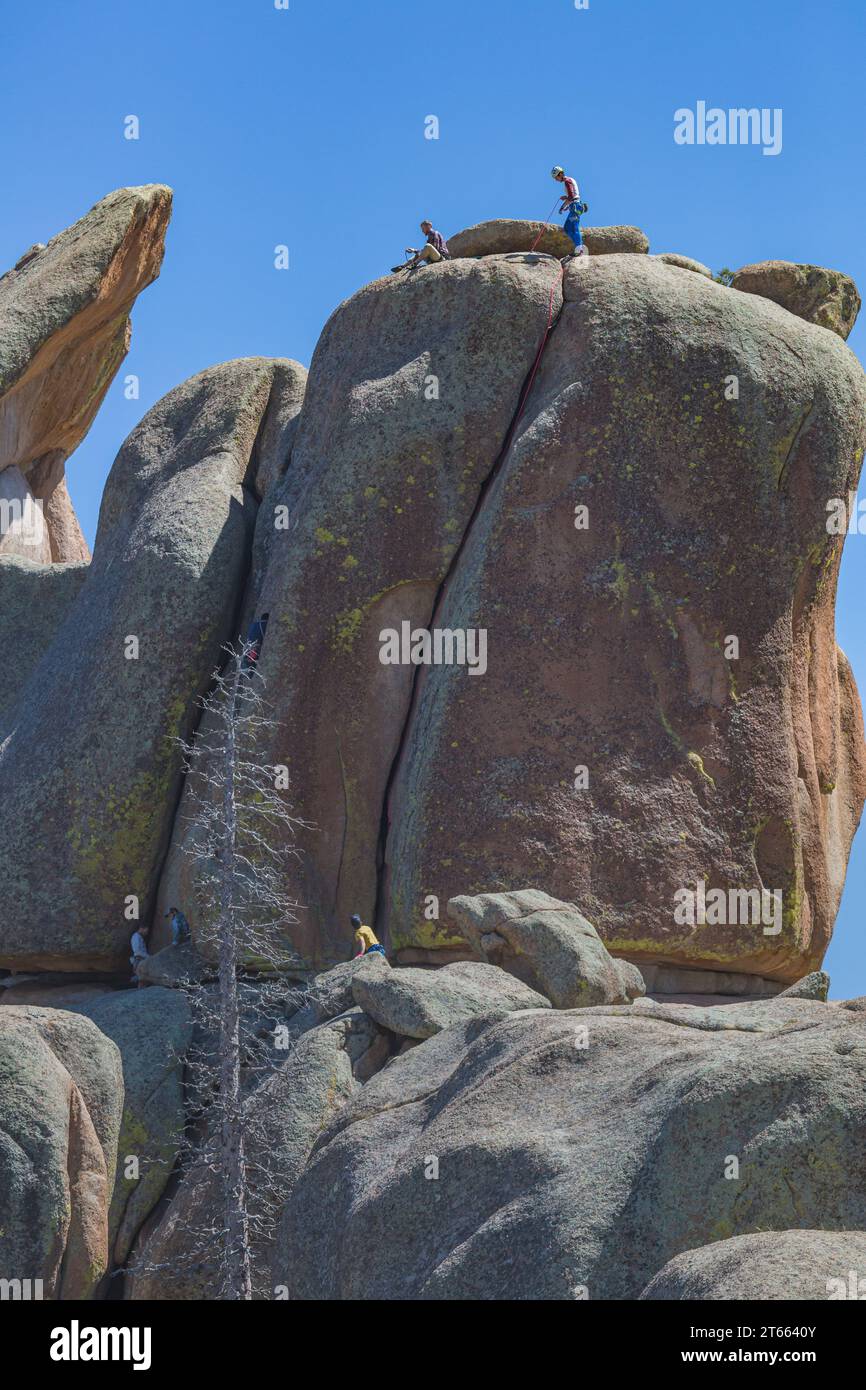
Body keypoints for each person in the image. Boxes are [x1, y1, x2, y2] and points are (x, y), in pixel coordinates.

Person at [551, 166, 587, 256]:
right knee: (567, 228)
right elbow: (571, 196)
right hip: (574, 206)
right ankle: (578, 247)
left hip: (576, 206)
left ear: (560, 174)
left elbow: (571, 197)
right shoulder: (568, 180)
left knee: (573, 227)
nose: (556, 180)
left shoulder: (567, 181)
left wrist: (562, 206)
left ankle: (580, 249)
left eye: (556, 177)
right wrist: (566, 199)